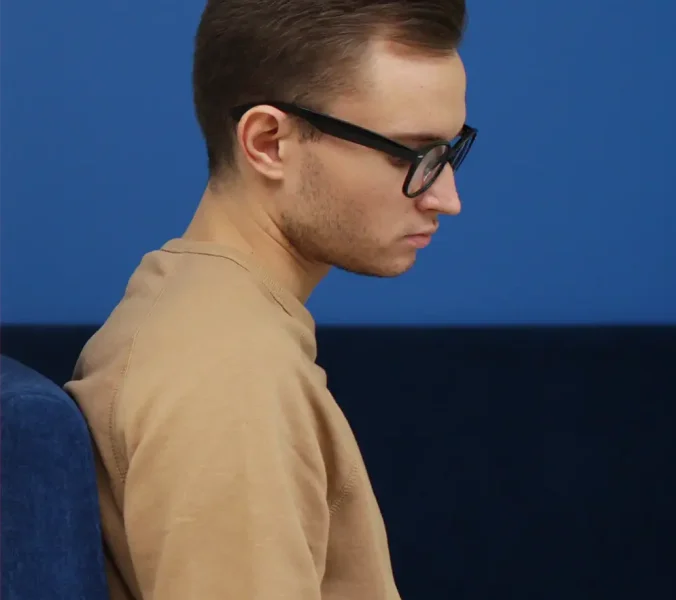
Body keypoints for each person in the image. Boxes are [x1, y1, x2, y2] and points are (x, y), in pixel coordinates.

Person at [64, 1, 476, 598]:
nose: (446, 198)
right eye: (409, 155)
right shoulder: (229, 376)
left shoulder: (198, 318)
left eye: (450, 151)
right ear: (268, 142)